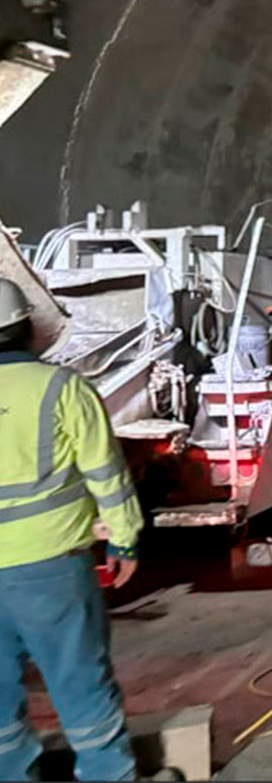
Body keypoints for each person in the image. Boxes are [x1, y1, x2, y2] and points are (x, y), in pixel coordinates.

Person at [0, 278, 144, 781]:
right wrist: (124, 539)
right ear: (28, 327)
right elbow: (106, 472)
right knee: (81, 683)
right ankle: (107, 773)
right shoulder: (62, 388)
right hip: (52, 565)